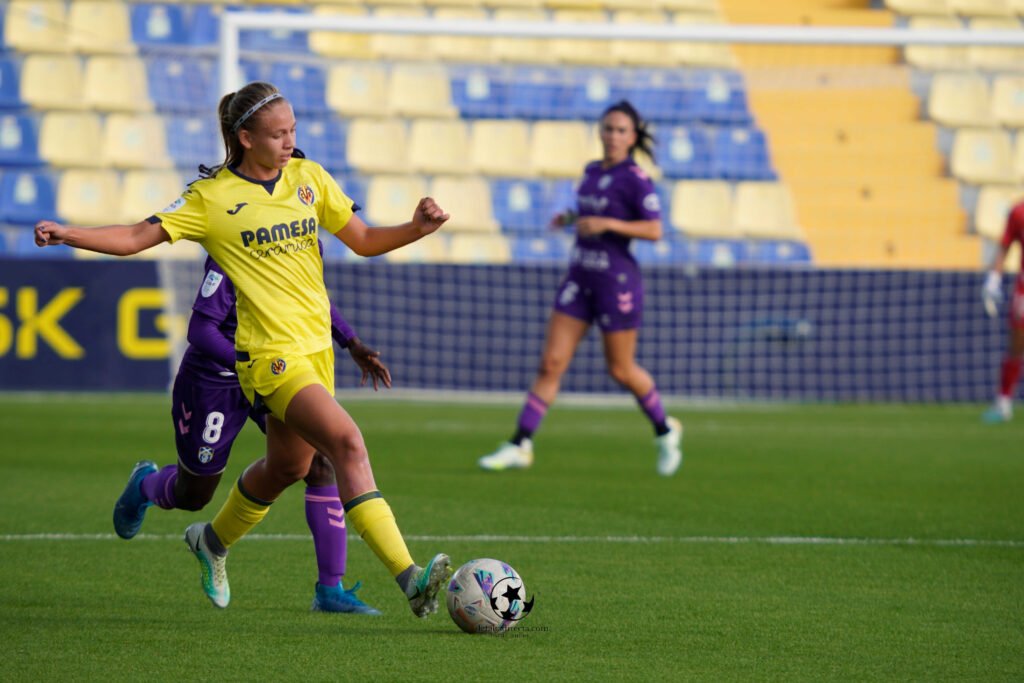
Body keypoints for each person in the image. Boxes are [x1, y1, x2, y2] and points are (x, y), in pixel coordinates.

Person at [35, 81, 452, 617]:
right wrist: (69, 233)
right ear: (244, 137)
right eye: (277, 133)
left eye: (293, 130)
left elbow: (365, 241)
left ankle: (210, 542)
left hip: (315, 355)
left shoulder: (309, 178)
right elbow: (138, 236)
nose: (288, 141)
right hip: (269, 358)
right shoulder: (211, 199)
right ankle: (411, 580)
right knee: (346, 443)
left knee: (288, 467)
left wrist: (417, 229)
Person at [113, 247, 389, 615]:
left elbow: (314, 297)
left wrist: (350, 341)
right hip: (216, 378)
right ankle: (146, 483)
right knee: (194, 494)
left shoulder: (299, 233)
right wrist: (249, 363)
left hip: (275, 371)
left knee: (319, 462)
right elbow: (201, 329)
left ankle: (330, 589)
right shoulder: (236, 246)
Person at [477, 100, 683, 476]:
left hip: (616, 282)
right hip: (581, 275)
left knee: (620, 369)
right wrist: (569, 218)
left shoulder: (636, 179)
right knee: (551, 362)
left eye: (621, 130)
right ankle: (520, 443)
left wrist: (607, 224)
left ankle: (665, 429)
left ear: (633, 136)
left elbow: (654, 229)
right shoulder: (590, 171)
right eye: (608, 128)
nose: (613, 136)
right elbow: (585, 212)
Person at [981, 199, 1024, 423]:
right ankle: (1003, 403)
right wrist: (994, 279)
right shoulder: (1019, 212)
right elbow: (1005, 245)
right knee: (1016, 345)